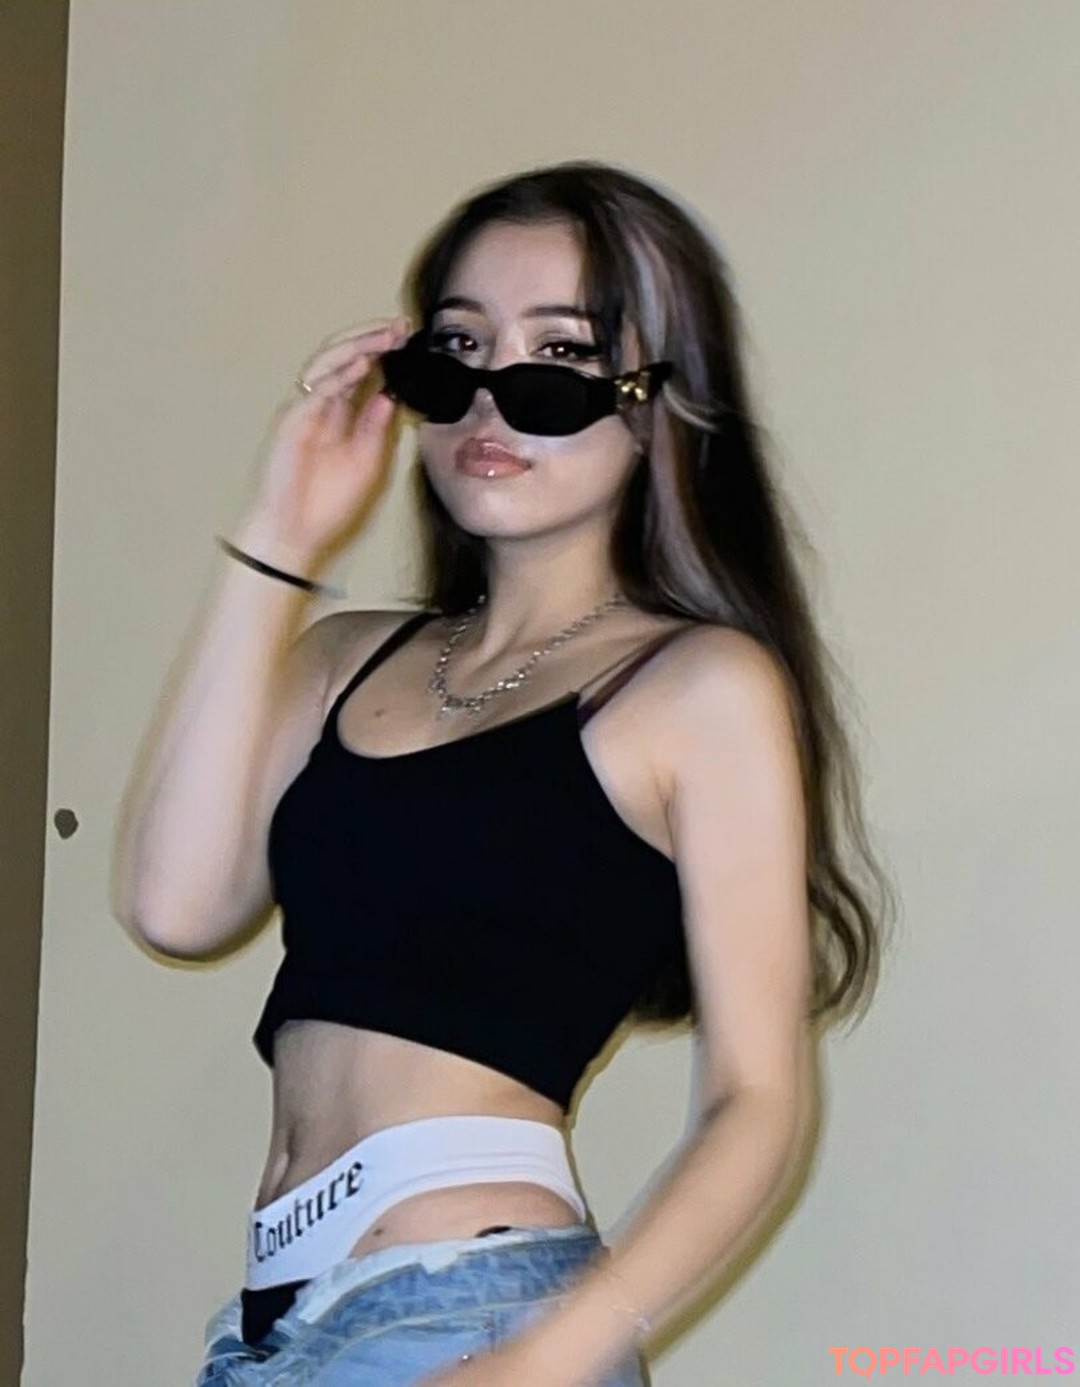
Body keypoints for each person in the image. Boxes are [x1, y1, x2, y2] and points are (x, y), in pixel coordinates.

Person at [111, 160, 893, 1387]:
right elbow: (173, 904)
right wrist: (280, 533)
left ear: (657, 405)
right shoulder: (346, 657)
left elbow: (757, 1102)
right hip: (270, 1329)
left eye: (557, 360)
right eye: (456, 353)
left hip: (474, 1317)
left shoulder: (696, 686)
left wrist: (537, 1364)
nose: (490, 401)